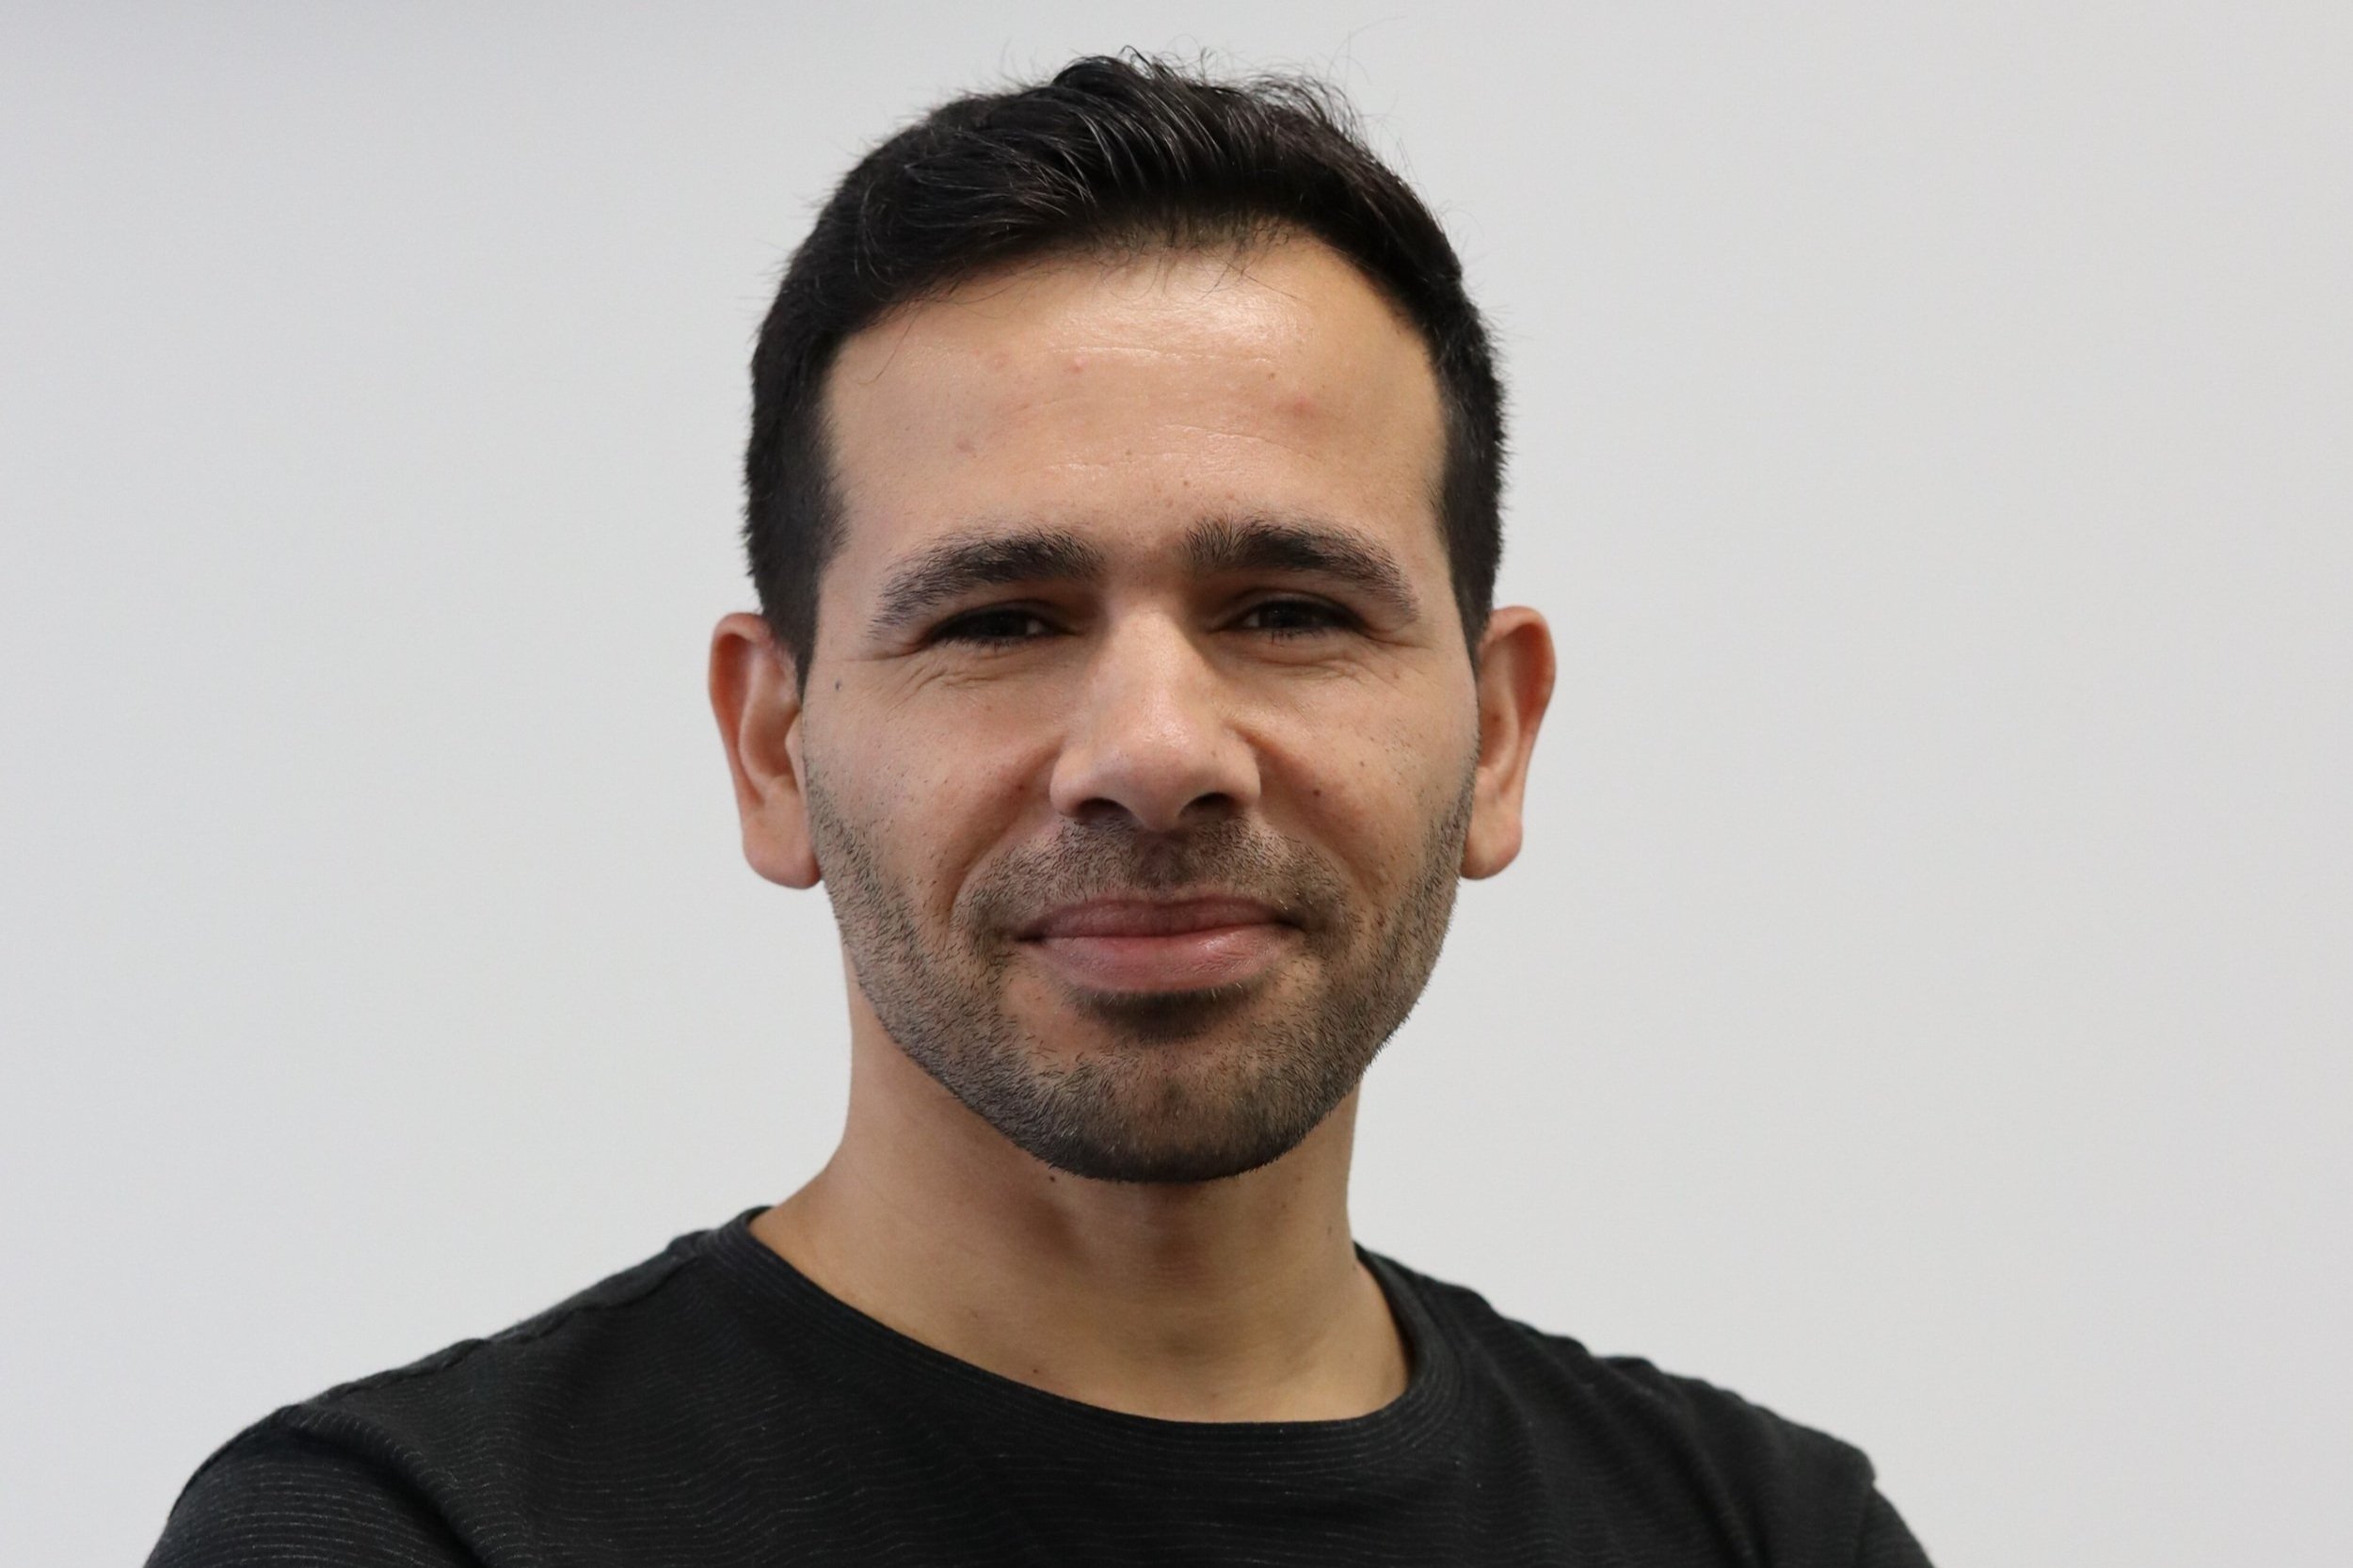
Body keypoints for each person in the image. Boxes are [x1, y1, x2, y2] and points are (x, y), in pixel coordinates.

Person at [149, 55, 1931, 1566]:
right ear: (772, 748)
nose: (1155, 751)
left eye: (1289, 611)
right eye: (1000, 620)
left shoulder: (1767, 1535)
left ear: (1499, 735)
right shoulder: (402, 1536)